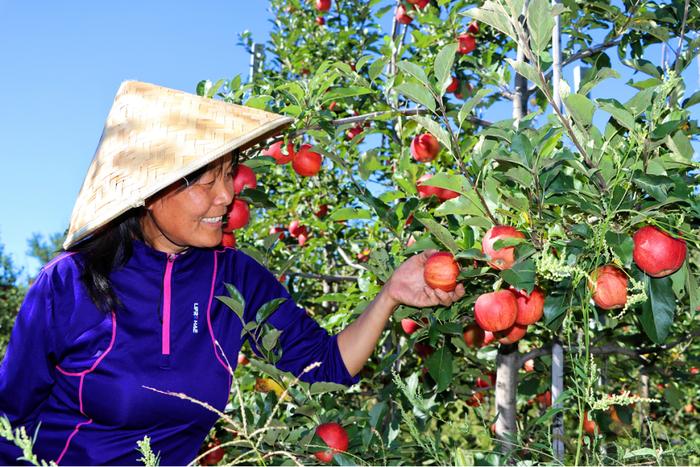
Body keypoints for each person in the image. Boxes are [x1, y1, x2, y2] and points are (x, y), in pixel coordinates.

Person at [0, 81, 465, 465]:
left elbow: (327, 365)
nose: (226, 197)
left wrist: (389, 295)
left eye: (230, 175)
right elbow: (8, 420)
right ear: (152, 191)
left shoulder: (235, 278)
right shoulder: (70, 283)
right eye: (207, 180)